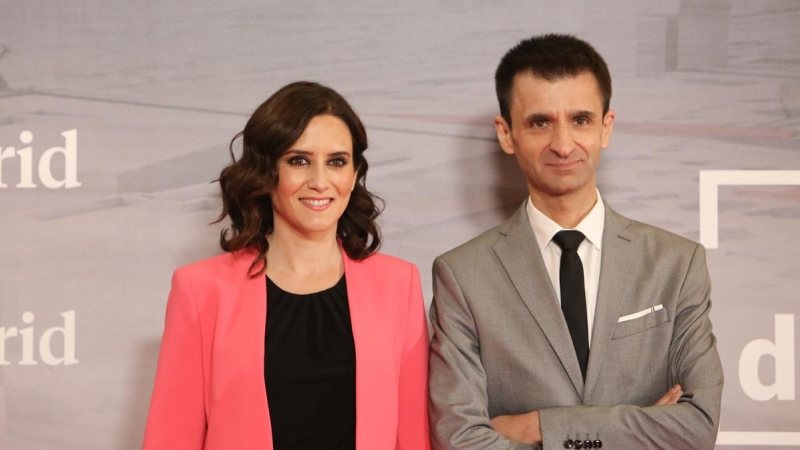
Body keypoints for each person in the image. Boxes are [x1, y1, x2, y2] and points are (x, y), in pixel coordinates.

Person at [428, 34, 723, 449]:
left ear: (606, 127)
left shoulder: (677, 263)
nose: (563, 145)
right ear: (506, 134)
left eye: (580, 120)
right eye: (540, 122)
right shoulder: (462, 276)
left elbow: (697, 425)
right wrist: (639, 427)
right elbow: (459, 439)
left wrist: (535, 428)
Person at [143, 81, 430, 450]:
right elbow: (171, 439)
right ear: (267, 172)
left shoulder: (398, 284)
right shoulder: (200, 290)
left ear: (355, 173)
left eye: (337, 162)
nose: (319, 181)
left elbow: (414, 437)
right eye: (299, 160)